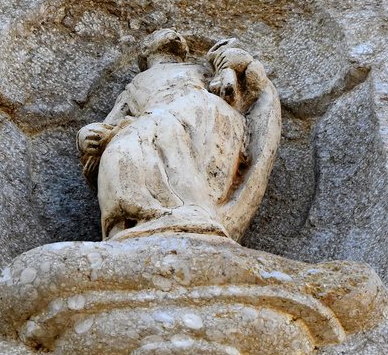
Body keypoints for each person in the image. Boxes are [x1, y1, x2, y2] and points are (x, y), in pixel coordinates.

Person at [78, 28, 278, 241]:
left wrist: (238, 64)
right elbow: (108, 126)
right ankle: (144, 216)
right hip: (153, 122)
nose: (172, 32)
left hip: (200, 119)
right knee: (122, 149)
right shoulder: (133, 86)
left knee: (168, 126)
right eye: (161, 32)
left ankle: (191, 211)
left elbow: (244, 92)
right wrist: (85, 137)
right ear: (145, 50)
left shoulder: (200, 70)